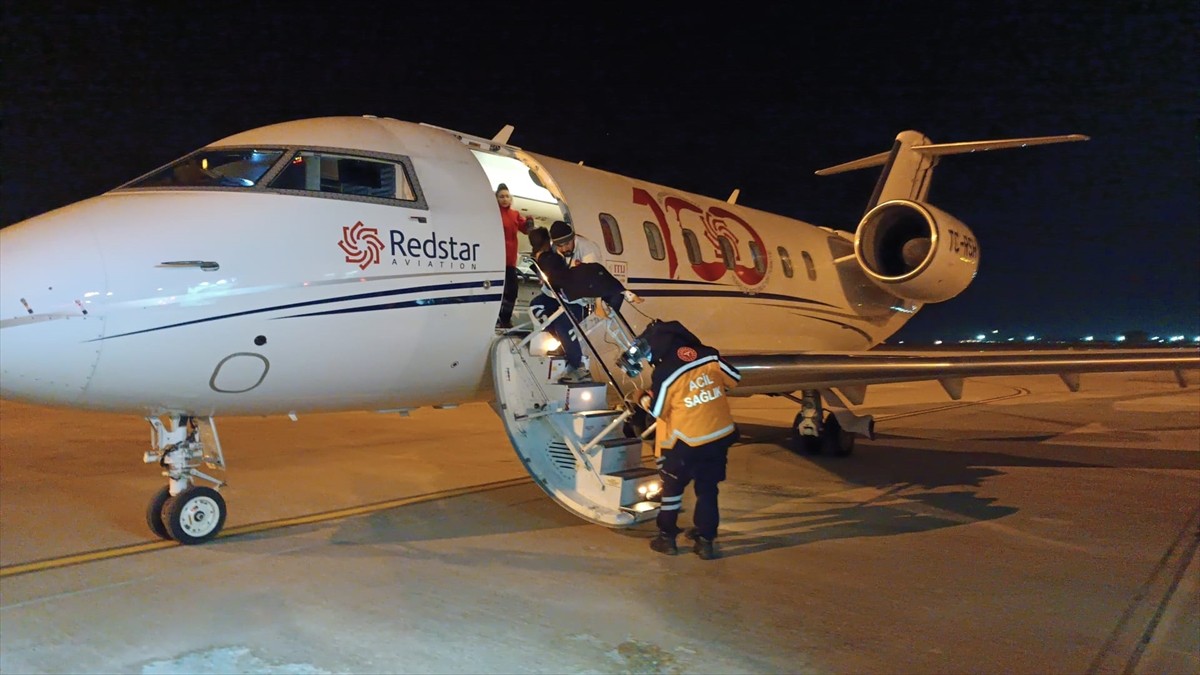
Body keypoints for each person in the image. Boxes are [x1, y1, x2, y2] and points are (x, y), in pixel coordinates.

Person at [633, 320, 741, 560]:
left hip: (685, 441)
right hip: (717, 437)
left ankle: (667, 537)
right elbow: (734, 378)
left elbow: (658, 410)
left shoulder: (665, 371)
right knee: (707, 490)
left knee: (671, 489)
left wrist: (641, 398)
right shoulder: (709, 355)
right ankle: (705, 542)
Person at [527, 227, 639, 383]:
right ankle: (565, 342)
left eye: (567, 244)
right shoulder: (552, 250)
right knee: (536, 307)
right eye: (560, 245)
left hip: (582, 299)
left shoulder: (588, 250)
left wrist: (599, 306)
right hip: (560, 294)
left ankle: (578, 366)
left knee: (563, 324)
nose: (563, 248)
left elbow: (595, 280)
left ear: (573, 238)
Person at [496, 183, 532, 329]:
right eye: (501, 197)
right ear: (496, 199)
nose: (504, 199)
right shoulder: (494, 213)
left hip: (510, 262)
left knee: (512, 291)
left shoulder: (515, 214)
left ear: (511, 199)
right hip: (496, 260)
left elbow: (527, 230)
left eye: (506, 196)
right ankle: (496, 318)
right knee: (498, 291)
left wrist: (529, 222)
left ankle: (505, 319)